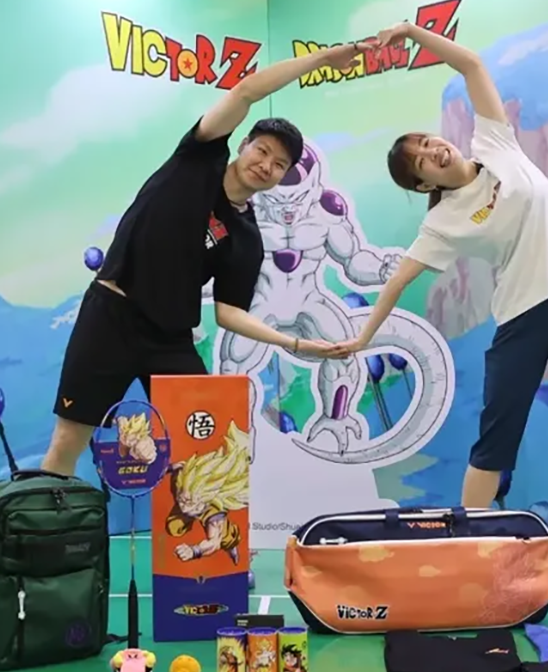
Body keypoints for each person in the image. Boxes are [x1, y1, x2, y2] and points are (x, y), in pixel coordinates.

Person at [332, 22, 548, 595]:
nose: (432, 151)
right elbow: (399, 280)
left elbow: (470, 65)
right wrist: (363, 338)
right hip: (523, 316)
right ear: (422, 185)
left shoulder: (494, 143)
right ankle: (466, 552)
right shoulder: (443, 221)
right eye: (420, 162)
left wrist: (411, 32)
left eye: (426, 142)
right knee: (495, 440)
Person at [42, 42, 371, 477]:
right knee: (68, 441)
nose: (266, 165)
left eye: (279, 164)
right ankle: (44, 518)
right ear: (243, 145)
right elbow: (247, 91)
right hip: (110, 316)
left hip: (169, 339)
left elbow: (229, 312)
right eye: (261, 151)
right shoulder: (198, 158)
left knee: (206, 451)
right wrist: (322, 59)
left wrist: (294, 344)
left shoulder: (247, 238)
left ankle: (199, 524)